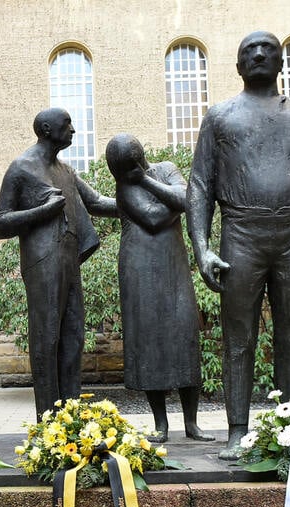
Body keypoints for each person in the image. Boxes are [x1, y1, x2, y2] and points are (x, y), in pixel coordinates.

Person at [186, 31, 290, 459]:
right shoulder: (219, 117)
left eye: (268, 50)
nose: (258, 55)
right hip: (241, 233)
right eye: (248, 52)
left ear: (281, 63)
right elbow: (200, 185)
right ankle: (237, 429)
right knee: (238, 336)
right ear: (238, 66)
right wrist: (202, 247)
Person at [0, 108, 113, 420]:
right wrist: (41, 212)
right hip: (43, 263)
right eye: (67, 124)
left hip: (69, 262)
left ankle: (70, 420)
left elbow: (98, 203)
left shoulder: (66, 171)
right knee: (47, 339)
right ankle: (48, 422)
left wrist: (141, 200)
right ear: (46, 129)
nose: (73, 130)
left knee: (73, 339)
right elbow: (1, 224)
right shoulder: (21, 168)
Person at [106, 133, 213, 443]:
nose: (128, 170)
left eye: (131, 164)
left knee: (184, 338)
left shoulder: (165, 169)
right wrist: (180, 204)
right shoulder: (125, 188)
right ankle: (161, 424)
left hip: (174, 266)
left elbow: (186, 198)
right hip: (140, 269)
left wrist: (150, 183)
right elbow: (154, 218)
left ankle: (192, 423)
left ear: (139, 157)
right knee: (150, 343)